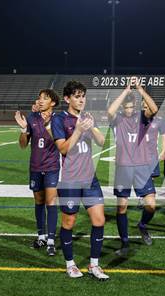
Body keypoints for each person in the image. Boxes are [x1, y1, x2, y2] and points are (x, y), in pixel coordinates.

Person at [51, 80, 108, 280]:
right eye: (77, 96)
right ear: (67, 99)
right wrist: (78, 129)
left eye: (83, 96)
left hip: (89, 179)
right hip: (69, 180)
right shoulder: (59, 119)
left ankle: (94, 265)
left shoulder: (88, 116)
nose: (81, 99)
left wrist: (90, 127)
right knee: (69, 222)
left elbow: (102, 141)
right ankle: (70, 264)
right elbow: (63, 149)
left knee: (99, 220)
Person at [107, 78, 159, 256]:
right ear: (123, 107)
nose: (128, 110)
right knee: (121, 207)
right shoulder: (118, 119)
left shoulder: (142, 118)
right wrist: (125, 91)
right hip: (123, 168)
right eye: (126, 107)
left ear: (135, 106)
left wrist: (139, 89)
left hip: (142, 167)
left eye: (131, 107)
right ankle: (125, 243)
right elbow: (110, 111)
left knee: (151, 205)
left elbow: (154, 109)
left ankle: (142, 225)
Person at [14, 89, 60, 256]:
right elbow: (22, 145)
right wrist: (23, 130)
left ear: (53, 103)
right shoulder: (32, 118)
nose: (40, 101)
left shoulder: (58, 119)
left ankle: (51, 240)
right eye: (39, 98)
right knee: (39, 201)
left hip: (52, 167)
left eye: (45, 98)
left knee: (51, 201)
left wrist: (49, 125)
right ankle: (41, 236)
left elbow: (60, 142)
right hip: (35, 166)